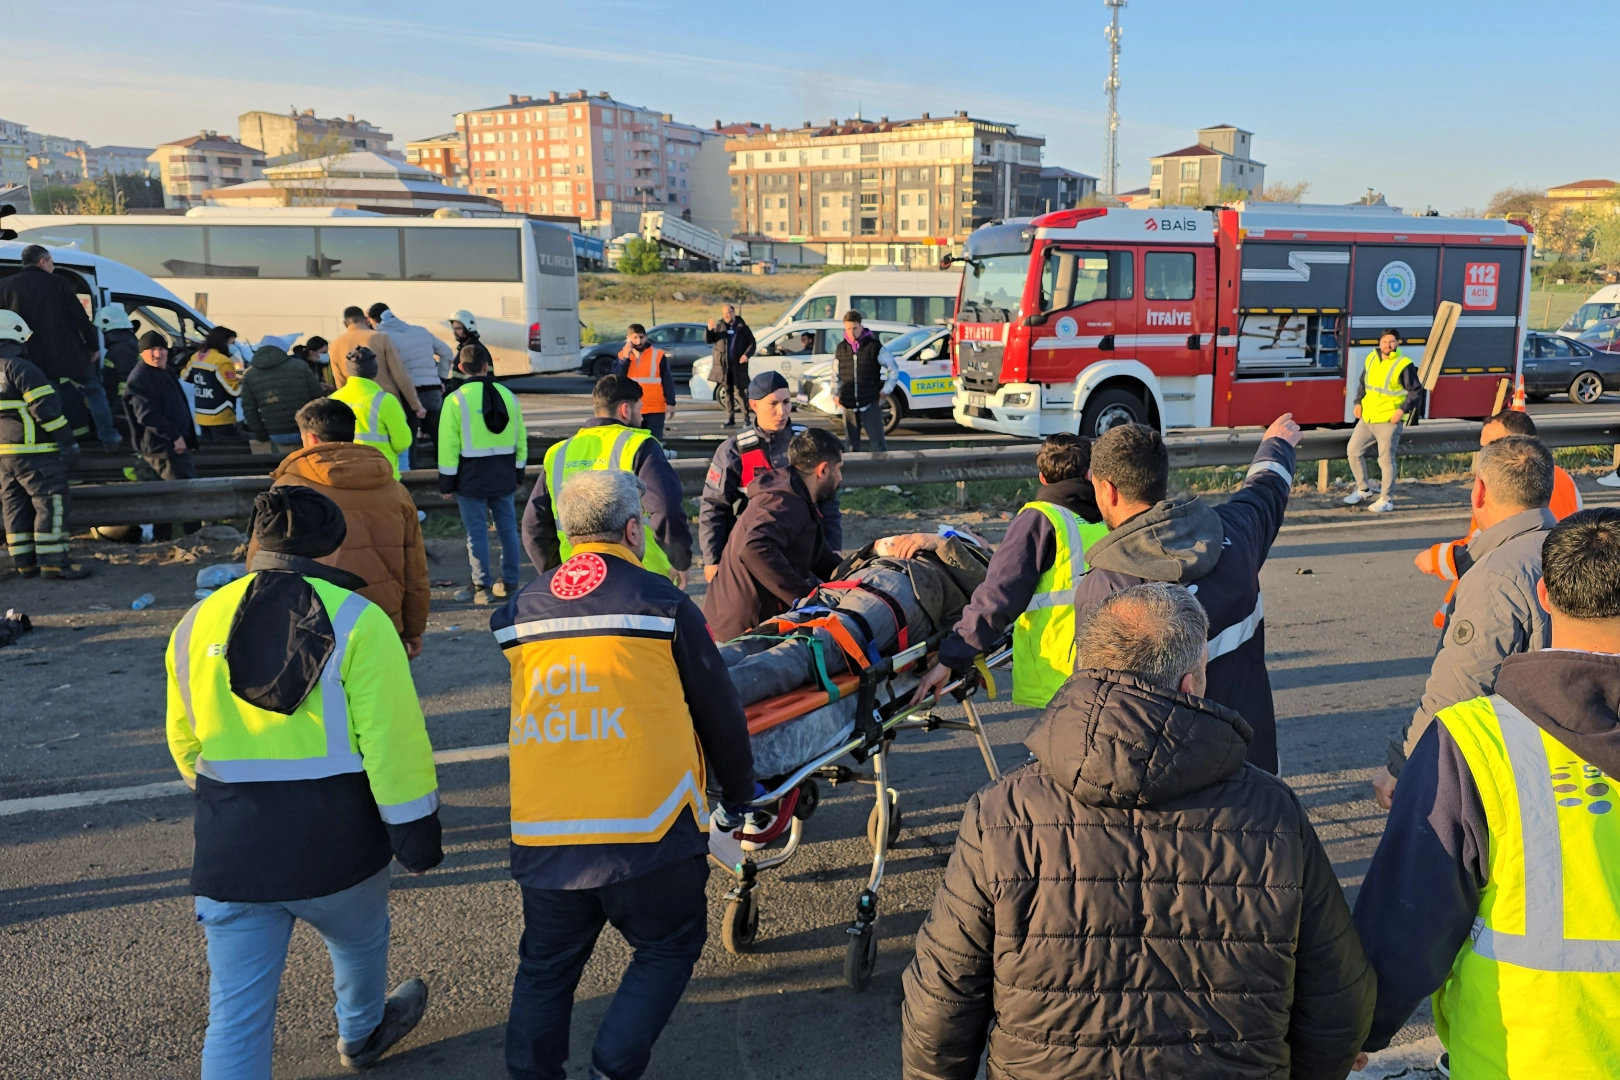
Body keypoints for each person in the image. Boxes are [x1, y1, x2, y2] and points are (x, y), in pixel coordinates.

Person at [902, 582, 1374, 1079]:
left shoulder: (1002, 813)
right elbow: (1339, 1001)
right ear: (1189, 686)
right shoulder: (1274, 814)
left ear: (1083, 668)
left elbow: (939, 1004)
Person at [167, 486, 442, 1076]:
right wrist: (415, 833)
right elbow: (393, 743)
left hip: (232, 849)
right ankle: (361, 1033)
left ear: (256, 543)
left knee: (235, 1016)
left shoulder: (195, 621)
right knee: (360, 940)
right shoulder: (359, 619)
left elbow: (185, 743)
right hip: (337, 843)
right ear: (333, 547)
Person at [491, 468, 756, 1080]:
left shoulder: (519, 611)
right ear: (634, 530)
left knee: (546, 966)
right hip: (649, 828)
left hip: (546, 832)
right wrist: (740, 795)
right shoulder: (662, 603)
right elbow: (717, 708)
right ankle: (612, 1068)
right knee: (667, 946)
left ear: (566, 533)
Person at [1354, 508, 1620, 1077]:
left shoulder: (1474, 741)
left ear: (1544, 596)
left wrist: (1350, 1029)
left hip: (1517, 1059)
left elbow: (1408, 923)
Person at [1073, 415, 1301, 773]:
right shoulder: (1234, 534)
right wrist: (1277, 445)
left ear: (1108, 490)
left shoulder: (1106, 590)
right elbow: (1264, 491)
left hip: (1166, 784)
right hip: (1252, 768)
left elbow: (1096, 710)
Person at [1370, 435, 1557, 810]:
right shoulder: (1571, 548)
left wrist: (1402, 762)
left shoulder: (1496, 576)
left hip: (1514, 776)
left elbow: (1459, 689)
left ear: (1480, 491)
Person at [914, 433, 1106, 709]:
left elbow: (999, 594)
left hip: (1058, 678)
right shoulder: (1110, 518)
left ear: (1042, 478)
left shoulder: (1041, 520)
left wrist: (951, 656)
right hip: (1110, 676)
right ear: (1090, 475)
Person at [246, 398, 429, 659]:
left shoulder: (288, 489)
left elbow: (260, 563)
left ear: (311, 439)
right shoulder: (395, 489)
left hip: (310, 621)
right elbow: (415, 568)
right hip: (381, 619)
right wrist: (413, 628)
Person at [1414, 408, 1581, 630]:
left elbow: (1481, 549)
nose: (1484, 454)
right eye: (1483, 446)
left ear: (1517, 446)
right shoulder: (1562, 478)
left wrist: (1435, 559)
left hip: (1506, 602)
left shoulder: (1503, 488)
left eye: (1492, 445)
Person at [523, 375, 692, 579]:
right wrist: (680, 560)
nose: (642, 417)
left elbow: (534, 525)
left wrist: (556, 575)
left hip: (580, 577)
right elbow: (665, 508)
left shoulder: (558, 452)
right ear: (625, 410)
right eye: (640, 409)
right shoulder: (638, 445)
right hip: (642, 575)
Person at [697, 370, 842, 580]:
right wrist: (712, 559)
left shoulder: (808, 443)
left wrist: (833, 548)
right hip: (752, 556)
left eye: (786, 402)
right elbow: (714, 506)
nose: (782, 411)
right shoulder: (734, 450)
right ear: (753, 405)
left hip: (804, 555)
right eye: (773, 404)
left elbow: (828, 501)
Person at [703, 427, 844, 643]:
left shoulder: (794, 496)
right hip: (742, 631)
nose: (840, 478)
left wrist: (857, 575)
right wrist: (804, 598)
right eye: (839, 469)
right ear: (823, 470)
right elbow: (754, 549)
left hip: (735, 622)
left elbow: (821, 559)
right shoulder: (785, 503)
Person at [0, 244, 118, 448]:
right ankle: (108, 438)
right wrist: (93, 346)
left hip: (30, 354)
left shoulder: (5, 286)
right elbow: (80, 318)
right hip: (69, 353)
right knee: (93, 391)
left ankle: (61, 443)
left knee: (49, 398)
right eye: (51, 262)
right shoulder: (59, 282)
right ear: (42, 261)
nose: (53, 267)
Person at [0, 309, 88, 580]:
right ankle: (54, 563)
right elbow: (45, 409)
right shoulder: (21, 368)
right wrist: (67, 440)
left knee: (14, 505)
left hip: (3, 455)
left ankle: (24, 563)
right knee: (51, 501)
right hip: (34, 451)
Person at [437, 343, 526, 605]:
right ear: (487, 366)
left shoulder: (455, 399)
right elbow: (521, 439)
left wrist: (446, 484)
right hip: (504, 473)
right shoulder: (508, 396)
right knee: (508, 531)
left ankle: (481, 588)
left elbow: (448, 446)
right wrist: (519, 474)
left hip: (470, 476)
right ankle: (510, 584)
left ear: (461, 368)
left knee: (476, 534)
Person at [330, 306, 425, 465]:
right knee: (401, 454)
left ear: (345, 323)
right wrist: (416, 405)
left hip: (354, 410)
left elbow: (339, 381)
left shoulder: (335, 345)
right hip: (386, 401)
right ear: (366, 320)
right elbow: (400, 374)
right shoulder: (381, 338)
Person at [1343, 328, 1422, 513]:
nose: (1388, 345)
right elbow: (1363, 384)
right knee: (1353, 451)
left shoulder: (1403, 364)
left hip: (1388, 420)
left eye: (1392, 341)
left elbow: (1416, 391)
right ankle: (1363, 490)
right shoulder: (1371, 358)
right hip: (1368, 418)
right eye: (1385, 341)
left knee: (1385, 461)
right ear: (1380, 343)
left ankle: (1386, 500)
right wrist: (1357, 402)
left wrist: (1401, 410)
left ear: (1398, 343)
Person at [368, 303, 452, 448]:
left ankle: (412, 464)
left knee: (409, 442)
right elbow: (447, 353)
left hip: (407, 394)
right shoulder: (421, 331)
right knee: (440, 439)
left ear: (373, 320)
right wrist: (440, 378)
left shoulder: (382, 337)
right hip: (432, 391)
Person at [331, 346, 413, 480]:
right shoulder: (386, 400)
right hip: (382, 472)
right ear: (374, 371)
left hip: (344, 472)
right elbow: (403, 442)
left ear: (348, 371)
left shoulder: (333, 399)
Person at [125, 330, 196, 482]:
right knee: (181, 491)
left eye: (161, 349)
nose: (158, 354)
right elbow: (147, 416)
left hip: (173, 446)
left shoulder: (164, 371)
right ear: (142, 353)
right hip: (163, 449)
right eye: (152, 350)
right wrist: (174, 436)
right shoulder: (140, 379)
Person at [240, 338, 324, 455]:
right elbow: (318, 398)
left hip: (275, 433)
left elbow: (249, 409)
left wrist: (261, 435)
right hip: (305, 429)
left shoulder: (249, 374)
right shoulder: (300, 366)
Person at [609, 323, 675, 442]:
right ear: (628, 338)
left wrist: (670, 403)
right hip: (631, 409)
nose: (639, 341)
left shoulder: (658, 355)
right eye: (635, 337)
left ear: (646, 337)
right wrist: (625, 358)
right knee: (632, 444)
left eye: (641, 337)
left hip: (655, 409)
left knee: (654, 443)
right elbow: (616, 378)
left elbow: (667, 381)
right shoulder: (622, 356)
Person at [833, 309, 886, 453]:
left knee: (878, 444)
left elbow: (892, 368)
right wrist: (835, 394)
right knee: (851, 446)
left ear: (861, 327)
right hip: (848, 402)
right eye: (848, 329)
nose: (851, 332)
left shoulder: (873, 346)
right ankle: (853, 467)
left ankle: (882, 466)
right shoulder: (841, 348)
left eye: (854, 328)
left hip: (869, 400)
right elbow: (835, 374)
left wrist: (886, 390)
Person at [182, 325, 244, 441]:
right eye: (232, 342)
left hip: (201, 415)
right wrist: (244, 382)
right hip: (220, 416)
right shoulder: (222, 361)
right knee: (226, 450)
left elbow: (184, 376)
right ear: (223, 342)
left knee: (209, 449)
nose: (233, 346)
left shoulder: (196, 357)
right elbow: (234, 391)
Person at [705, 303, 755, 427]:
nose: (726, 315)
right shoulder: (720, 327)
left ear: (733, 312)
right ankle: (730, 418)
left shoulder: (742, 327)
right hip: (723, 367)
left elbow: (752, 343)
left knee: (740, 392)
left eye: (728, 313)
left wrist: (746, 355)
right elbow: (708, 340)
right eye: (724, 313)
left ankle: (746, 418)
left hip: (738, 366)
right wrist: (709, 329)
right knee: (728, 393)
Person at [95, 304, 140, 407]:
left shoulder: (122, 348)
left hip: (121, 403)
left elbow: (126, 379)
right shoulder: (123, 343)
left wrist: (121, 405)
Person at [447, 309, 491, 393]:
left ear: (468, 328)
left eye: (458, 328)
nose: (454, 332)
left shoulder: (473, 351)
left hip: (467, 395)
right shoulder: (464, 348)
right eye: (453, 328)